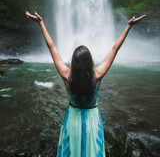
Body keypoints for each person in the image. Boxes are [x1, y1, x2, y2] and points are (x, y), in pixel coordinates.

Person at [25, 11, 146, 157]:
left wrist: (41, 23)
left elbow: (52, 48)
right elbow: (115, 49)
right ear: (90, 62)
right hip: (92, 123)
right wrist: (128, 26)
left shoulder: (67, 76)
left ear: (74, 64)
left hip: (72, 122)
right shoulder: (97, 76)